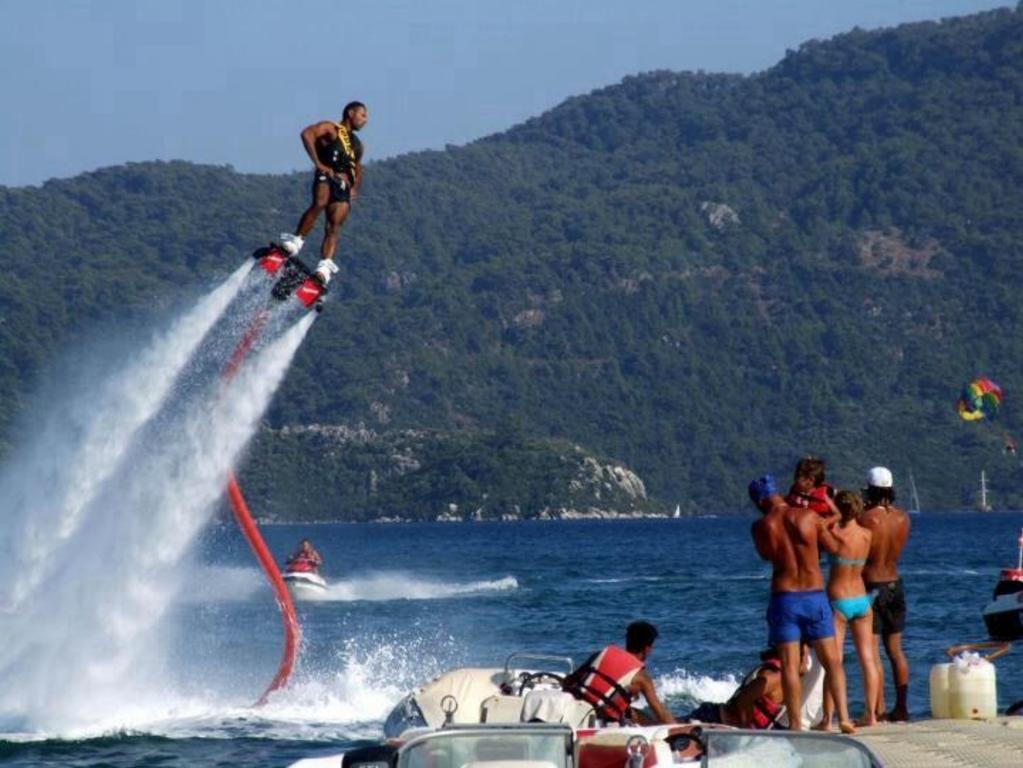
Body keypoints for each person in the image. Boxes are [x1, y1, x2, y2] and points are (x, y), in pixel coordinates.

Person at [749, 474, 855, 733]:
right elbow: (832, 547)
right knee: (833, 662)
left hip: (785, 598)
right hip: (814, 595)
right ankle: (842, 718)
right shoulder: (808, 516)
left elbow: (767, 555)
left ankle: (796, 724)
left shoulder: (762, 525)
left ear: (761, 502)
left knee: (789, 666)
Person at [275, 101, 368, 286]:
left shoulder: (358, 145)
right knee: (319, 203)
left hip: (343, 186)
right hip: (328, 175)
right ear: (351, 113)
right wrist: (318, 163)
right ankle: (295, 242)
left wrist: (354, 188)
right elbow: (307, 134)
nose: (365, 120)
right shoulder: (331, 128)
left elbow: (357, 167)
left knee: (334, 226)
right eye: (363, 115)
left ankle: (324, 267)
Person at [815, 490, 881, 729]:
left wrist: (830, 510)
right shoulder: (867, 535)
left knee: (834, 662)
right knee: (868, 659)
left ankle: (827, 719)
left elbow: (820, 526)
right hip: (862, 600)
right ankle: (870, 715)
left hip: (838, 601)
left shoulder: (835, 534)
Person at [859, 466, 911, 722]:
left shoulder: (866, 518)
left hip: (873, 586)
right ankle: (901, 708)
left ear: (870, 488)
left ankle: (877, 709)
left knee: (873, 651)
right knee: (896, 651)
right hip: (895, 583)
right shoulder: (903, 518)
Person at [562, 620, 676, 725]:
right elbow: (661, 713)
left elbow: (570, 681)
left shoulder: (601, 654)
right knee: (646, 720)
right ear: (647, 649)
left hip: (574, 706)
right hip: (598, 720)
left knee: (632, 713)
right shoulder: (641, 677)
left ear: (628, 641)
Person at [685, 645, 816, 729]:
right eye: (806, 655)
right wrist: (745, 730)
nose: (807, 662)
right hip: (713, 719)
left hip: (719, 723)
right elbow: (745, 697)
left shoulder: (786, 676)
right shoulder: (776, 677)